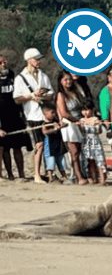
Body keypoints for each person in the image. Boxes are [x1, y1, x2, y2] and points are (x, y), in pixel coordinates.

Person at [13, 47, 54, 183]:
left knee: (48, 144)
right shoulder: (20, 78)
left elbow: (51, 94)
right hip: (32, 115)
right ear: (29, 60)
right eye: (36, 59)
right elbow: (17, 98)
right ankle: (36, 174)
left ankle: (48, 172)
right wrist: (31, 96)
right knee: (39, 144)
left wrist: (42, 96)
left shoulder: (43, 75)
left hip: (45, 114)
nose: (39, 61)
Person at [0, 54, 30, 181]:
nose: (3, 64)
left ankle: (21, 174)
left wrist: (23, 116)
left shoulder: (12, 75)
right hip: (2, 118)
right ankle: (9, 174)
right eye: (1, 62)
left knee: (17, 147)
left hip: (15, 115)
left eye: (4, 61)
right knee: (5, 148)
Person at [55, 70, 88, 184]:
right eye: (65, 80)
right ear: (60, 81)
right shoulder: (60, 95)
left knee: (80, 150)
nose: (68, 82)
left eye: (69, 79)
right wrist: (76, 120)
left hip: (79, 122)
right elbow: (64, 113)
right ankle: (79, 177)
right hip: (69, 124)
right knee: (74, 152)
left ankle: (81, 174)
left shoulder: (75, 92)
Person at [78, 102, 107, 185]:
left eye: (87, 110)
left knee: (99, 160)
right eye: (83, 110)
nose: (85, 112)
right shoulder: (81, 120)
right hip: (86, 142)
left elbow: (99, 131)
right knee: (89, 160)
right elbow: (82, 131)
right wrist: (80, 126)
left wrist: (98, 125)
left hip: (95, 141)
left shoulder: (95, 119)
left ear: (92, 110)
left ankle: (102, 179)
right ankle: (93, 178)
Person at [40, 102, 67, 183]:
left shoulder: (56, 121)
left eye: (54, 112)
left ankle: (64, 176)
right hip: (50, 146)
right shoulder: (44, 124)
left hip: (59, 145)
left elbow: (65, 124)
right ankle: (50, 177)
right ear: (45, 113)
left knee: (61, 161)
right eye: (52, 112)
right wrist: (55, 129)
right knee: (50, 162)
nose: (54, 114)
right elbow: (45, 132)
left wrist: (61, 125)